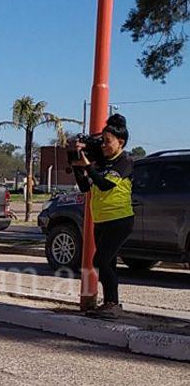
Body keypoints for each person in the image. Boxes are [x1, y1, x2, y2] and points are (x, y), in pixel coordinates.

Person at [71, 113, 134, 318]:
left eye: (108, 142)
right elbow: (85, 188)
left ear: (120, 142)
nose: (104, 146)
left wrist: (88, 166)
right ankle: (110, 304)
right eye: (102, 142)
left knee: (101, 260)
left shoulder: (124, 162)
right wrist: (78, 168)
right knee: (109, 262)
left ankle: (113, 304)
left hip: (120, 220)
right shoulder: (102, 162)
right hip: (101, 219)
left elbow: (105, 185)